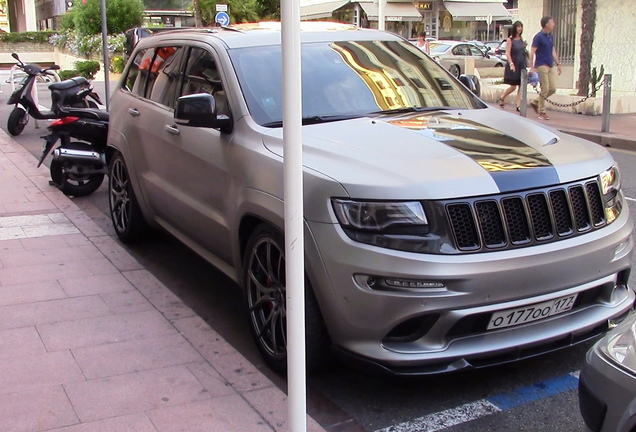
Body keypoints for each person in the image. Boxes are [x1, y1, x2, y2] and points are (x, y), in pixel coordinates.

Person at [529, 16, 562, 120]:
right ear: (546, 24)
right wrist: (532, 67)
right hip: (541, 64)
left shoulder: (550, 36)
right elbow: (532, 52)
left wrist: (558, 63)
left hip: (549, 64)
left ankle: (535, 102)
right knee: (545, 88)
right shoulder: (538, 37)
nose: (554, 24)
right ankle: (542, 112)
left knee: (552, 89)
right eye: (552, 22)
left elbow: (552, 51)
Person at [498, 21, 527, 112]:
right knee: (513, 86)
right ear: (515, 28)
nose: (520, 29)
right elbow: (508, 53)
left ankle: (518, 105)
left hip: (521, 64)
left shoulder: (521, 39)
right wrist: (511, 64)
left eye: (521, 27)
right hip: (514, 64)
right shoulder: (510, 40)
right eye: (518, 27)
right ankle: (502, 97)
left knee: (521, 85)